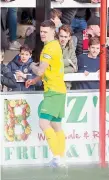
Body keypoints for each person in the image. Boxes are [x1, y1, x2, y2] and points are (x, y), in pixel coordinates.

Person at [25, 20, 67, 167]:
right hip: (59, 90)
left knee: (43, 123)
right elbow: (46, 72)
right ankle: (61, 157)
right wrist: (35, 80)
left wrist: (31, 65)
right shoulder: (53, 45)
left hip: (53, 91)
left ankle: (57, 158)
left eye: (45, 32)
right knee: (56, 125)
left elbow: (41, 69)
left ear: (52, 31)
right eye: (41, 31)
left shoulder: (49, 48)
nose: (42, 34)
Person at [58, 24, 78, 89]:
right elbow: (52, 65)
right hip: (53, 85)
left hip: (66, 87)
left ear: (69, 37)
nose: (63, 39)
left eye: (65, 37)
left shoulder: (71, 49)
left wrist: (59, 70)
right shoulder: (53, 47)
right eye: (61, 36)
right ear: (58, 36)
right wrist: (68, 61)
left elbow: (75, 68)